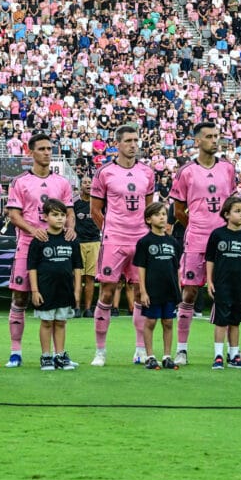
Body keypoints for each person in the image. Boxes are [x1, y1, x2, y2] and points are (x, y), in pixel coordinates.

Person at [169, 122, 236, 365]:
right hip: (196, 239)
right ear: (196, 142)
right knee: (189, 291)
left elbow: (232, 204)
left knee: (225, 293)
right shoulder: (186, 171)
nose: (214, 140)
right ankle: (182, 349)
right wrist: (197, 225)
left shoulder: (228, 169)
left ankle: (229, 351)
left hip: (224, 241)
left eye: (216, 136)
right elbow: (178, 210)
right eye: (208, 136)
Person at [5, 134, 75, 368]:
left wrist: (71, 230)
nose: (47, 152)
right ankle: (16, 352)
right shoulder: (20, 182)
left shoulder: (62, 183)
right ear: (30, 152)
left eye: (49, 148)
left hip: (56, 248)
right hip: (28, 246)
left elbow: (70, 212)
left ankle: (58, 354)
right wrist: (33, 230)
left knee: (56, 300)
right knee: (20, 297)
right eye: (42, 148)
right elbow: (14, 215)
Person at [90, 125, 154, 367]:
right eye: (128, 140)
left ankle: (139, 349)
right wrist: (109, 230)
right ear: (117, 144)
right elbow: (95, 210)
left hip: (140, 239)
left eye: (136, 140)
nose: (133, 145)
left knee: (140, 293)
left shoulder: (147, 172)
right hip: (114, 239)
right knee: (107, 291)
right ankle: (100, 351)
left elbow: (149, 209)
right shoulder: (105, 172)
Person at [205, 197, 241, 370]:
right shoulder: (218, 235)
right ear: (227, 214)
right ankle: (218, 356)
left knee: (235, 321)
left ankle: (234, 355)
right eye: (237, 211)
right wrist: (209, 280)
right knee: (221, 321)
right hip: (222, 284)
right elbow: (210, 259)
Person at [28, 198, 82, 371]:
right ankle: (46, 357)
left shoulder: (71, 239)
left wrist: (77, 290)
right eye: (55, 215)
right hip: (45, 289)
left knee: (61, 322)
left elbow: (78, 267)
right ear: (45, 217)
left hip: (65, 289)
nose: (59, 218)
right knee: (46, 323)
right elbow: (32, 267)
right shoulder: (39, 239)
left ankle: (60, 355)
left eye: (62, 215)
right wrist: (35, 290)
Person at [134, 202, 183, 370]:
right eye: (157, 214)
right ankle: (150, 356)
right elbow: (141, 268)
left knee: (168, 322)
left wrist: (178, 290)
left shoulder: (173, 243)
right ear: (148, 219)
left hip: (170, 290)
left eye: (164, 214)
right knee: (151, 322)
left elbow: (177, 269)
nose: (162, 217)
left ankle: (168, 356)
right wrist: (143, 291)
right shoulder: (144, 242)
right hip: (152, 290)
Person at [74, 176, 102, 318]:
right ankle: (76, 307)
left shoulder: (98, 203)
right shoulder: (74, 202)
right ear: (81, 186)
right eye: (85, 182)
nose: (88, 185)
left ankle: (88, 309)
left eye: (90, 182)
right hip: (78, 243)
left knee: (90, 278)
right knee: (78, 277)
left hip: (94, 242)